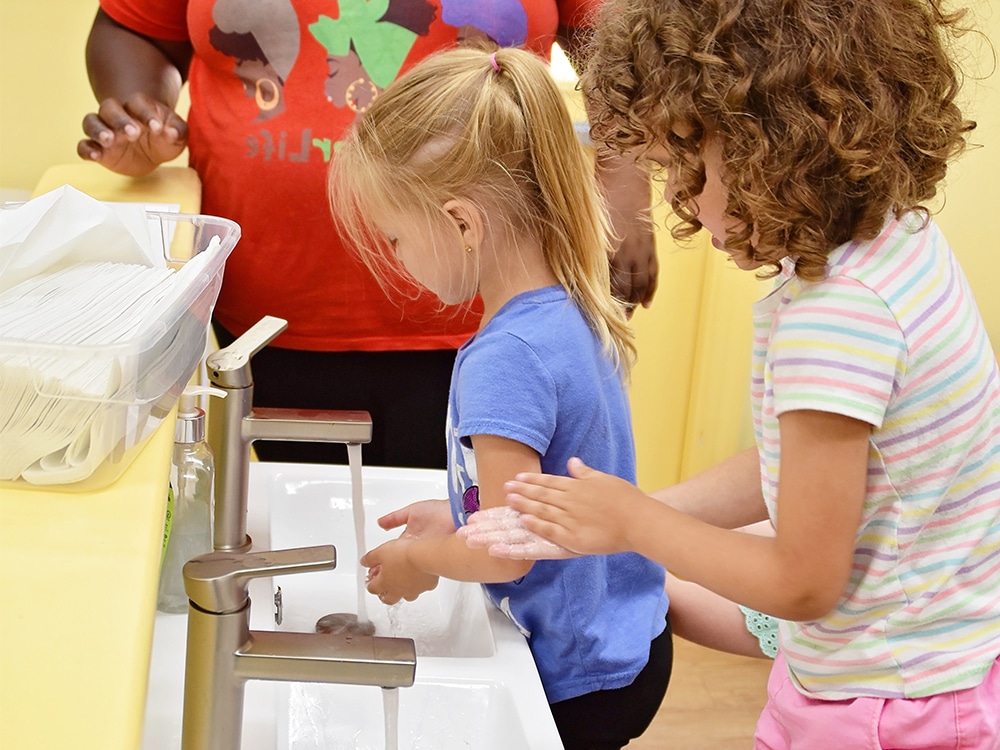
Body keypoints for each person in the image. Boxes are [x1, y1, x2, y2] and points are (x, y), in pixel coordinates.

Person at [461, 0, 1000, 747]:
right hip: (917, 666)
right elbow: (804, 468)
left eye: (691, 165)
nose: (679, 196)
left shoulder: (836, 318)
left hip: (884, 705)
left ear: (776, 145)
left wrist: (635, 523)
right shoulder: (895, 240)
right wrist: (630, 513)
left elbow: (802, 581)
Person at [77, 0, 657, 469]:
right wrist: (142, 114)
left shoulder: (524, 351)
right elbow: (135, 26)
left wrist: (627, 190)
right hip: (261, 325)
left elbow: (620, 48)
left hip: (487, 321)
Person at [329, 45, 671, 749]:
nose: (396, 259)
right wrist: (458, 510)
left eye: (396, 237)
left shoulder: (504, 358)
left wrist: (417, 559)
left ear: (462, 223)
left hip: (578, 680)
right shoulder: (569, 303)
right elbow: (539, 497)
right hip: (629, 635)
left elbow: (506, 555)